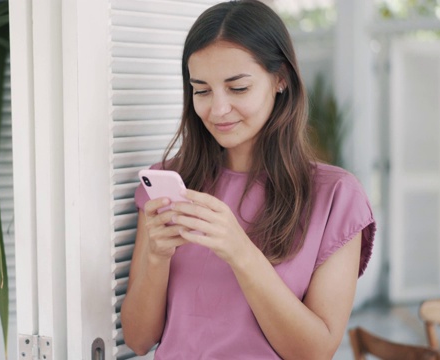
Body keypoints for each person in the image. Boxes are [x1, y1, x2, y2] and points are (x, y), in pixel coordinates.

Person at [120, 1, 376, 359]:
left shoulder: (336, 197)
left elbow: (315, 353)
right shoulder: (169, 182)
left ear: (280, 79)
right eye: (202, 90)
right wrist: (158, 257)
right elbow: (138, 339)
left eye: (237, 88)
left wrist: (240, 252)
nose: (218, 109)